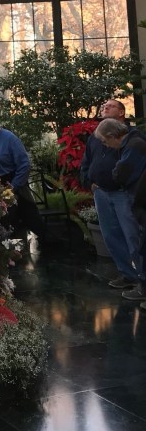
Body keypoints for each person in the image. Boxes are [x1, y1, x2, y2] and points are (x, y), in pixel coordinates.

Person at [93, 117, 146, 300]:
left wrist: (117, 172)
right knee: (115, 236)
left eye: (104, 141)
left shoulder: (134, 144)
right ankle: (131, 277)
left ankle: (142, 284)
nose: (105, 145)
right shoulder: (129, 144)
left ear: (112, 135)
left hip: (132, 196)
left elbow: (121, 173)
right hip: (115, 193)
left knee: (136, 240)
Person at [79, 100, 124, 287]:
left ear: (121, 112)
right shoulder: (95, 137)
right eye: (104, 106)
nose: (105, 107)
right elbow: (86, 162)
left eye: (111, 106)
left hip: (122, 193)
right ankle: (127, 274)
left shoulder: (129, 136)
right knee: (110, 236)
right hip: (100, 193)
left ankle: (141, 277)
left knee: (131, 234)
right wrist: (88, 181)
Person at [0, 116, 44, 239]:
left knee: (14, 223)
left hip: (9, 184)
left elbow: (24, 164)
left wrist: (13, 186)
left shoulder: (9, 138)